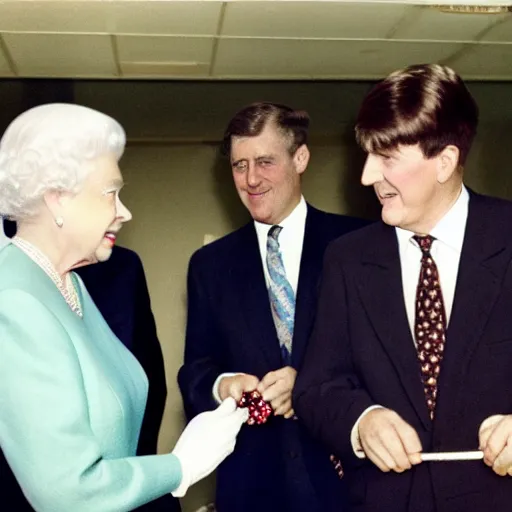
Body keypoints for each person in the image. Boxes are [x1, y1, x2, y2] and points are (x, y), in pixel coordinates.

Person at [0, 103, 248, 512]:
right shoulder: (15, 300)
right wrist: (181, 466)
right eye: (111, 193)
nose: (124, 211)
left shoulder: (69, 282)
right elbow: (68, 492)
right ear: (58, 199)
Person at [294, 63, 512, 512]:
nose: (367, 176)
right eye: (368, 156)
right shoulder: (347, 259)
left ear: (445, 161)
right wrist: (362, 420)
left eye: (387, 157)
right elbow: (317, 388)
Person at [178, 102, 368, 512]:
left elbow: (385, 365)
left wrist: (311, 387)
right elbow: (195, 371)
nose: (250, 179)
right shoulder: (210, 266)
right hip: (252, 489)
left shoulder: (359, 247)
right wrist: (224, 385)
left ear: (300, 158)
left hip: (348, 483)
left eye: (264, 162)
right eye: (238, 165)